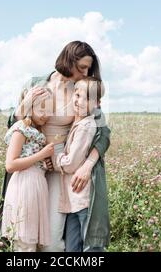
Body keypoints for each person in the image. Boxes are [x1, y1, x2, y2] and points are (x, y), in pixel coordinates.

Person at [0, 40, 111, 252]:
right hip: (29, 167)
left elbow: (103, 133)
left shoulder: (82, 91)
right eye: (82, 67)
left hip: (59, 168)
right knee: (25, 234)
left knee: (51, 241)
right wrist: (24, 104)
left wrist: (86, 167)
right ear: (69, 60)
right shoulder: (34, 84)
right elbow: (14, 126)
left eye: (88, 68)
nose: (86, 72)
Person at [53, 77, 105, 252]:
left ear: (97, 104)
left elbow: (70, 164)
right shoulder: (77, 122)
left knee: (90, 246)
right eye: (77, 95)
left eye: (87, 98)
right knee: (73, 246)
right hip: (74, 198)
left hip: (82, 198)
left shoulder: (85, 126)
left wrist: (57, 158)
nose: (80, 101)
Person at [1, 93, 55, 252]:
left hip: (37, 185)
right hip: (24, 186)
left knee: (33, 242)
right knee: (24, 242)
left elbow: (32, 159)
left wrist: (45, 164)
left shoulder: (38, 133)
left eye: (50, 110)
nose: (46, 114)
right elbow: (10, 165)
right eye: (42, 109)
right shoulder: (20, 130)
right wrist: (41, 155)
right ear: (30, 107)